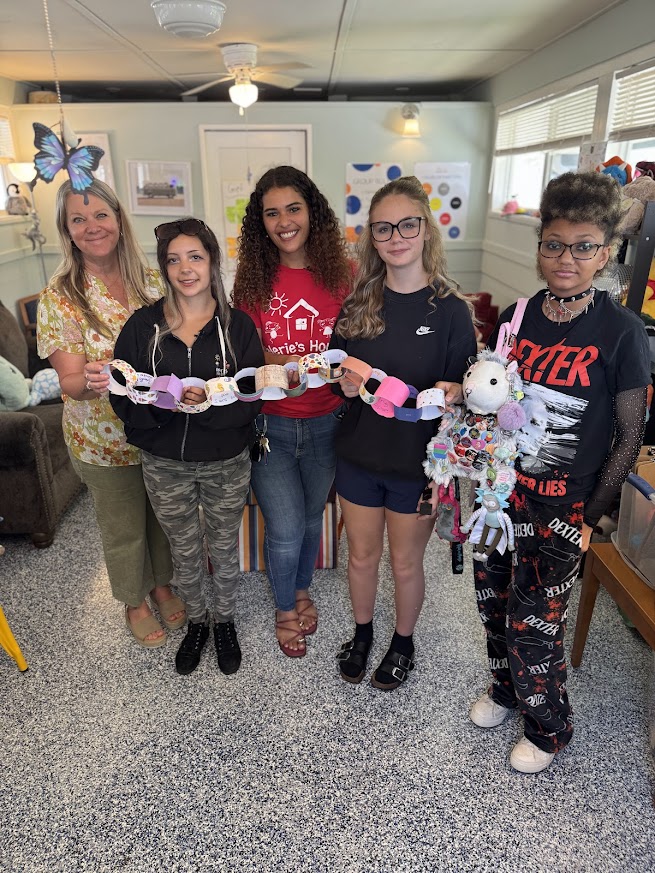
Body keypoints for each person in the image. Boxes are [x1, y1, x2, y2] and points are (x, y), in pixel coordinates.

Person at [456, 171, 651, 773]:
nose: (567, 258)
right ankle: (507, 690)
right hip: (501, 494)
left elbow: (629, 433)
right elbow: (492, 397)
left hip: (565, 508)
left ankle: (549, 726)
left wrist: (592, 514)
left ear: (606, 251)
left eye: (584, 245)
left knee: (536, 619)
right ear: (540, 245)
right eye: (555, 243)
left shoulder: (621, 331)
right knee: (492, 601)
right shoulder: (515, 318)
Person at [329, 175, 477, 689]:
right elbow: (334, 376)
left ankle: (403, 642)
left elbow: (471, 393)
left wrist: (455, 390)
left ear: (425, 230)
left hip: (418, 467)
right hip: (358, 459)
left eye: (406, 224)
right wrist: (344, 387)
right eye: (383, 228)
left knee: (405, 562)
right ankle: (364, 633)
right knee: (362, 557)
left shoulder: (452, 312)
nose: (396, 236)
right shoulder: (356, 307)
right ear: (371, 237)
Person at [110, 218, 264, 676]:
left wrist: (209, 409)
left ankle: (225, 623)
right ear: (164, 268)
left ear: (212, 260)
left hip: (225, 461)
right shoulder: (142, 327)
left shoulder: (238, 327)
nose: (185, 269)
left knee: (221, 545)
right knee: (184, 549)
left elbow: (253, 397)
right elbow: (121, 394)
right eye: (173, 260)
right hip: (165, 464)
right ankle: (197, 622)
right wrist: (165, 407)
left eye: (194, 256)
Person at [37, 179, 182, 649]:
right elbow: (70, 384)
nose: (91, 226)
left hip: (160, 433)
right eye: (78, 219)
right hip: (102, 439)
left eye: (100, 214)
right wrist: (94, 379)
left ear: (119, 219)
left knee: (161, 518)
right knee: (123, 528)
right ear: (67, 230)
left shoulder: (154, 281)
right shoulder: (60, 297)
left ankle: (163, 584)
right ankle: (134, 599)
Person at [232, 166, 352, 658]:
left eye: (293, 209)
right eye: (271, 213)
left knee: (307, 520)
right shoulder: (253, 280)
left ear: (313, 212)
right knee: (282, 526)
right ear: (261, 222)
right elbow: (245, 355)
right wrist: (281, 363)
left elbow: (354, 344)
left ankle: (302, 588)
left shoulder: (343, 274)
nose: (284, 221)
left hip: (328, 422)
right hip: (271, 425)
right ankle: (286, 607)